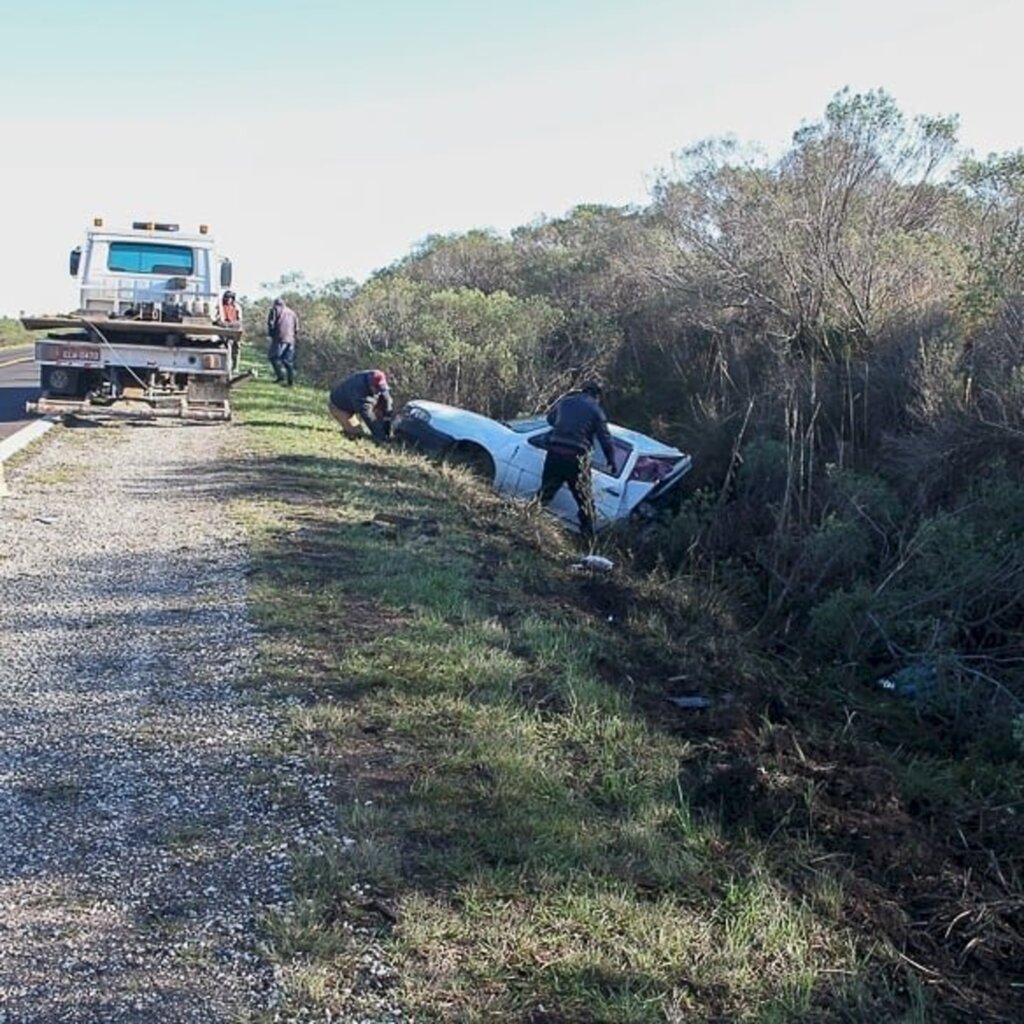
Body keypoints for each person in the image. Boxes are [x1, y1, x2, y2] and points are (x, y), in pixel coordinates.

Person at [539, 381, 617, 540]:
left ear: (583, 391)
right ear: (597, 397)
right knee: (585, 501)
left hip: (554, 453)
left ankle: (528, 519)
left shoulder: (565, 402)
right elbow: (605, 439)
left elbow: (551, 420)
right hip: (576, 459)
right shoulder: (597, 411)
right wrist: (612, 461)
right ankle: (588, 539)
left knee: (545, 492)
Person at [328, 369, 393, 441]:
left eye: (381, 388)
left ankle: (383, 432)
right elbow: (368, 417)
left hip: (355, 400)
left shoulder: (375, 378)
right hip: (339, 406)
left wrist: (387, 422)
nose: (379, 391)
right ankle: (349, 430)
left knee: (382, 406)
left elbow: (387, 401)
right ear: (371, 385)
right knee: (358, 434)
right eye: (377, 388)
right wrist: (382, 438)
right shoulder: (359, 391)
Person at [266, 297, 299, 385]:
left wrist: (271, 335)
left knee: (273, 357)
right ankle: (290, 381)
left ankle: (281, 377)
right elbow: (296, 328)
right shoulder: (292, 313)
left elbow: (271, 324)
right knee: (288, 361)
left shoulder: (274, 310)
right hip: (291, 339)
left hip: (280, 338)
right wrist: (293, 336)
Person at [218, 290, 243, 370]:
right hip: (224, 329)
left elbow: (239, 319)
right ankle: (225, 365)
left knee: (236, 349)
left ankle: (235, 367)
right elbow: (219, 318)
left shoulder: (236, 307)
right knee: (225, 348)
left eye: (230, 298)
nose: (228, 300)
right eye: (227, 298)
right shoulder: (221, 307)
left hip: (234, 329)